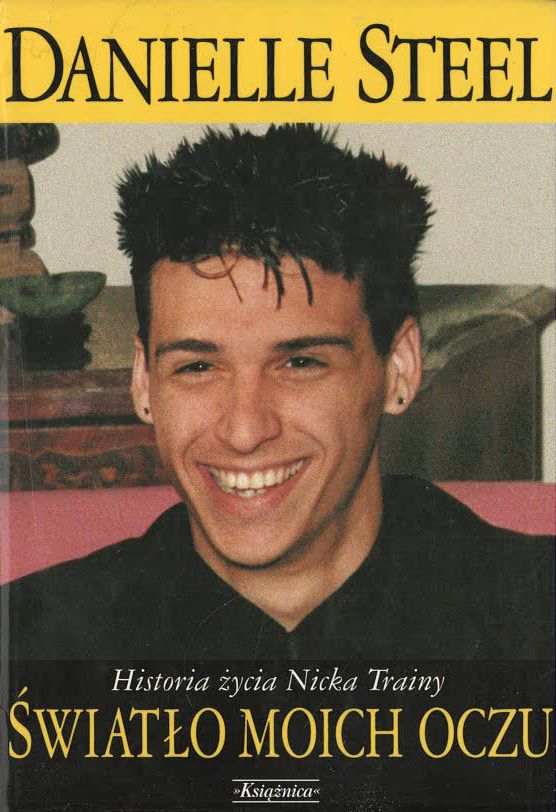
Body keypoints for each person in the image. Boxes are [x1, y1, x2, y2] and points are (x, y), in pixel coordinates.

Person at [5, 124, 554, 661]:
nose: (244, 431)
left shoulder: (535, 614)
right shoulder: (29, 644)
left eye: (300, 363)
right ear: (144, 381)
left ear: (400, 368)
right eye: (197, 367)